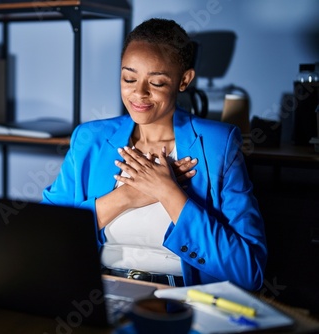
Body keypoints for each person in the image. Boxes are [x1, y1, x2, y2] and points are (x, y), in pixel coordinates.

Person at [41, 18, 267, 291]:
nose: (139, 92)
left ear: (184, 80)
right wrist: (126, 197)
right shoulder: (89, 140)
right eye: (129, 78)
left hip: (181, 301)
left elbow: (248, 272)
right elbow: (46, 237)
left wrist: (169, 193)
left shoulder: (217, 144)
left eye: (157, 83)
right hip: (96, 295)